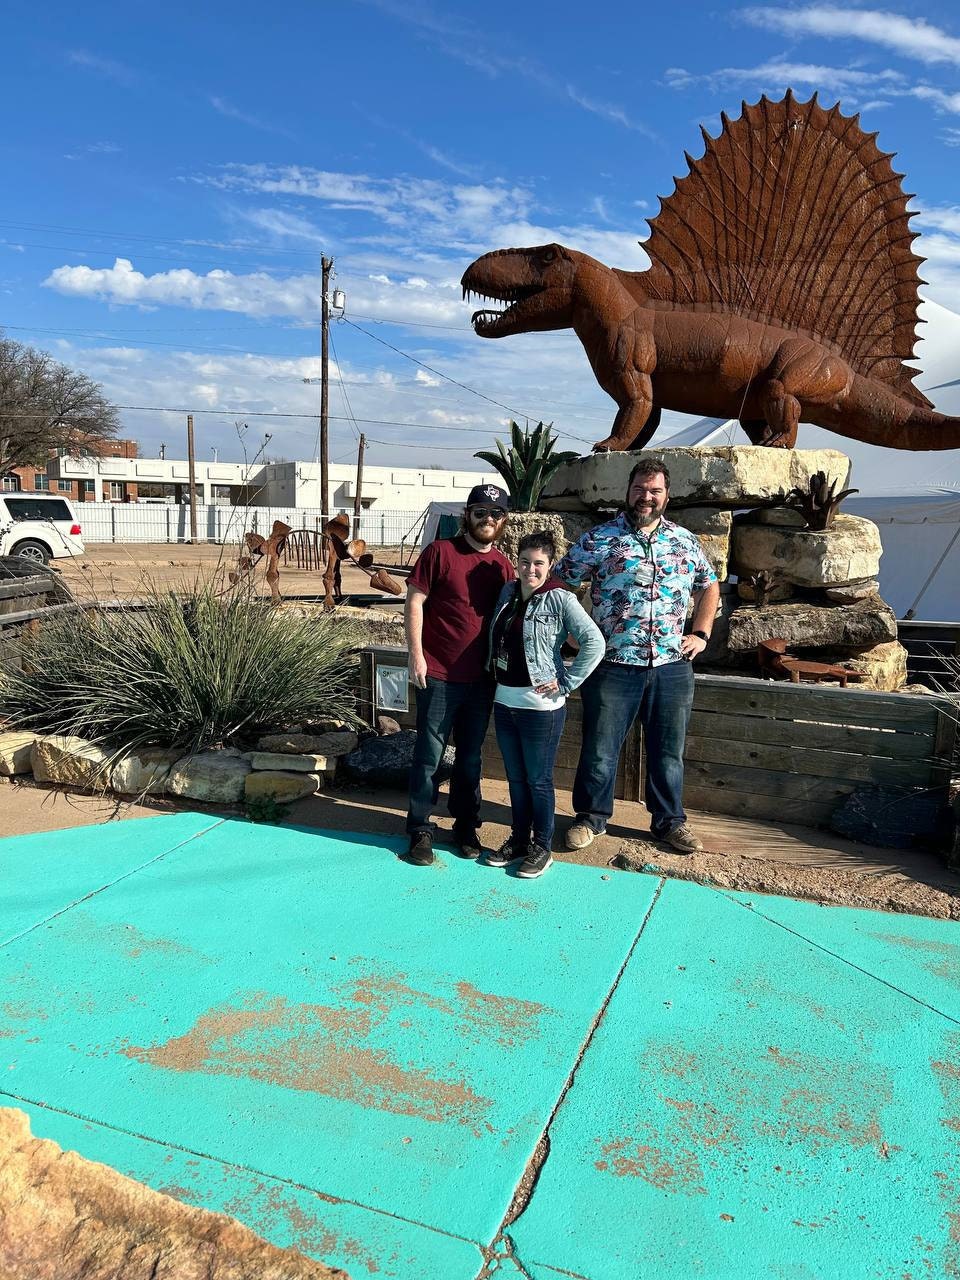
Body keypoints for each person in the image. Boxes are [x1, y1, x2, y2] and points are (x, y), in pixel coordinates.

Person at [555, 458, 720, 854]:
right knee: (600, 747)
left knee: (668, 751)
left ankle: (669, 822)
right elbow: (560, 584)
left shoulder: (684, 541)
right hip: (612, 664)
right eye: (640, 489)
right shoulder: (599, 540)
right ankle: (591, 818)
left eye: (655, 490)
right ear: (628, 491)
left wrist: (700, 633)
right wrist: (576, 636)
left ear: (667, 495)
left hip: (671, 665)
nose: (646, 497)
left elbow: (709, 585)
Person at [404, 484, 514, 866]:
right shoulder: (439, 553)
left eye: (496, 514)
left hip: (482, 680)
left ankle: (465, 826)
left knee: (470, 759)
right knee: (429, 756)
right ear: (467, 514)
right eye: (481, 512)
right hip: (437, 673)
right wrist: (416, 656)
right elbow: (415, 601)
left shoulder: (502, 565)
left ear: (503, 521)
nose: (488, 519)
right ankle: (420, 828)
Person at [485, 530, 605, 879]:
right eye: (525, 562)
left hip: (541, 707)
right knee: (516, 779)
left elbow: (593, 642)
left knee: (538, 780)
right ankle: (519, 840)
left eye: (539, 563)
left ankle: (542, 846)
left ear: (550, 565)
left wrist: (567, 682)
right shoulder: (508, 592)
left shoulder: (559, 599)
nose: (530, 570)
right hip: (505, 700)